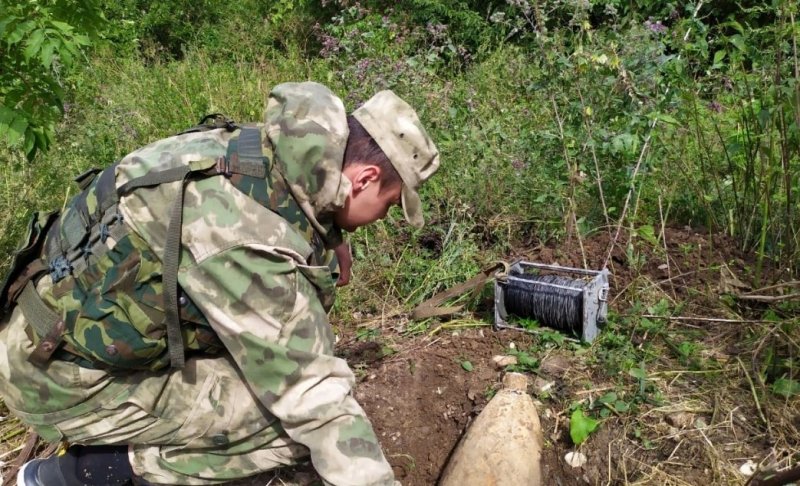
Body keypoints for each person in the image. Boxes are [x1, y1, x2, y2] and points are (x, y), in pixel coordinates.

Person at [0, 82, 440, 486]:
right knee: (285, 427)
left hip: (40, 328)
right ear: (364, 179)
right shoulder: (245, 238)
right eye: (388, 204)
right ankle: (80, 474)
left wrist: (332, 234)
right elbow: (312, 397)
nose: (382, 218)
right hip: (55, 380)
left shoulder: (258, 150)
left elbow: (291, 211)